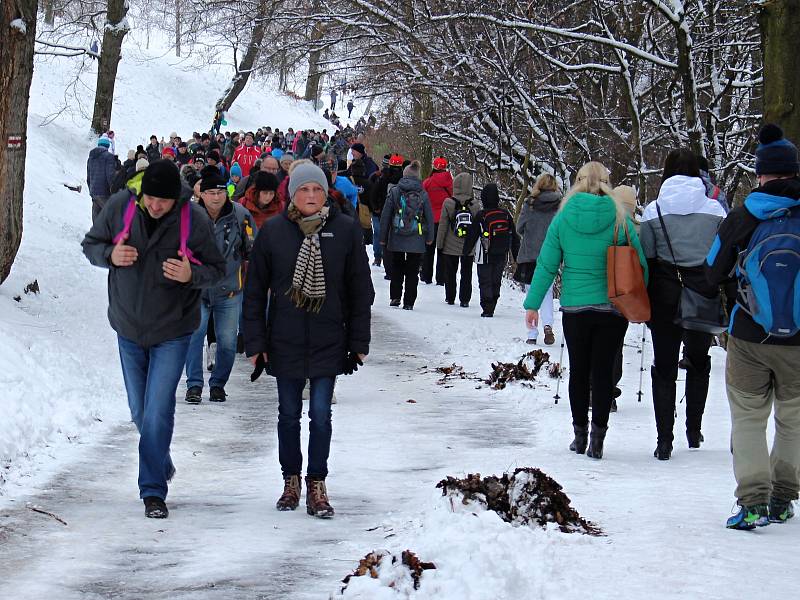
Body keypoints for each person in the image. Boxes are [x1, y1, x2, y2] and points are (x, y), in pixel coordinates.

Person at [81, 160, 226, 518]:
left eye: (163, 201)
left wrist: (192, 273)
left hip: (173, 330)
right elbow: (91, 245)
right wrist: (110, 255)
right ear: (141, 191)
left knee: (158, 409)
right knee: (140, 411)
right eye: (151, 199)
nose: (156, 206)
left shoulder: (192, 219)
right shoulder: (120, 207)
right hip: (128, 326)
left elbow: (217, 269)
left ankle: (152, 492)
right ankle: (159, 459)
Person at [242, 163, 374, 518]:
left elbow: (360, 289)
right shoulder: (273, 232)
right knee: (288, 415)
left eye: (317, 190)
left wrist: (359, 339)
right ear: (292, 193)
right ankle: (291, 480)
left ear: (326, 192)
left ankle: (317, 481)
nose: (311, 196)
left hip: (330, 337)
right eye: (304, 190)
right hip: (284, 338)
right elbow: (254, 292)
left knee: (320, 414)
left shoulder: (345, 231)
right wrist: (255, 342)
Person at [706, 124, 800, 529]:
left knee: (748, 417)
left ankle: (753, 503)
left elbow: (711, 272)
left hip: (747, 332)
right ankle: (782, 499)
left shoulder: (743, 216)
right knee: (793, 418)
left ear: (761, 174)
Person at [523, 162, 647, 460]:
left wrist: (532, 303)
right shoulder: (620, 218)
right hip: (612, 308)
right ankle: (597, 439)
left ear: (577, 182)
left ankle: (579, 436)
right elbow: (640, 263)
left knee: (578, 371)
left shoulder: (563, 218)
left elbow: (547, 264)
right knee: (603, 372)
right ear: (607, 182)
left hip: (576, 308)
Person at [639, 149, 726, 460]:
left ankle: (664, 440)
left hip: (664, 295)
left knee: (664, 367)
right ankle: (694, 429)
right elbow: (722, 256)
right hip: (702, 293)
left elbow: (647, 259)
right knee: (699, 361)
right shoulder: (715, 209)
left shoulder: (653, 211)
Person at [184, 167, 256, 404]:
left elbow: (253, 250)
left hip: (229, 290)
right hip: (196, 289)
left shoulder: (240, 215)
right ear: (201, 194)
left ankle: (218, 384)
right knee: (194, 337)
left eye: (220, 192)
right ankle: (194, 385)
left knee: (227, 342)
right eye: (211, 192)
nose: (216, 197)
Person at [380, 161, 434, 309]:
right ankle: (409, 302)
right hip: (416, 238)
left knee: (397, 266)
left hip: (397, 235)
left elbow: (386, 216)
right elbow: (429, 217)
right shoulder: (423, 193)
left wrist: (383, 238)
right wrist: (430, 238)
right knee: (413, 270)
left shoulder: (395, 191)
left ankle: (395, 297)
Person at [515, 173, 562, 345]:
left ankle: (532, 334)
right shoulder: (560, 205)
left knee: (531, 293)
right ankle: (548, 325)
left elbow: (519, 227)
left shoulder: (530, 203)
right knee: (547, 292)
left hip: (529, 254)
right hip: (550, 255)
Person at [463, 184, 520, 317]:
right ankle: (493, 302)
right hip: (501, 253)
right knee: (496, 279)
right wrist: (516, 256)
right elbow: (514, 237)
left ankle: (487, 307)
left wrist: (466, 252)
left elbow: (472, 235)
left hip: (485, 253)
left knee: (485, 280)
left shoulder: (481, 215)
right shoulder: (505, 214)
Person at [436, 172, 480, 307]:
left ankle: (450, 297)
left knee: (450, 272)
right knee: (466, 273)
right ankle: (465, 299)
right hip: (468, 245)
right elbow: (477, 226)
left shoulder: (448, 203)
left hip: (450, 245)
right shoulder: (475, 204)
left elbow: (443, 225)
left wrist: (440, 244)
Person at [422, 156, 453, 285]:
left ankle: (426, 276)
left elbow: (422, 199)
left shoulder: (427, 182)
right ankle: (441, 278)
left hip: (430, 219)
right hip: (445, 221)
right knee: (442, 250)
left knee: (428, 249)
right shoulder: (450, 183)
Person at [370, 154, 404, 272]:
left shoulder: (382, 177)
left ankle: (384, 262)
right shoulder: (403, 179)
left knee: (383, 237)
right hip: (400, 213)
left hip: (383, 212)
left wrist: (376, 208)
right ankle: (397, 263)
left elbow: (374, 193)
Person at [87, 136, 118, 224]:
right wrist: (113, 190)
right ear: (107, 146)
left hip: (94, 192)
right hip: (105, 193)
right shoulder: (109, 157)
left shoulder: (91, 158)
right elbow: (110, 176)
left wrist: (91, 190)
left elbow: (88, 177)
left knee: (96, 219)